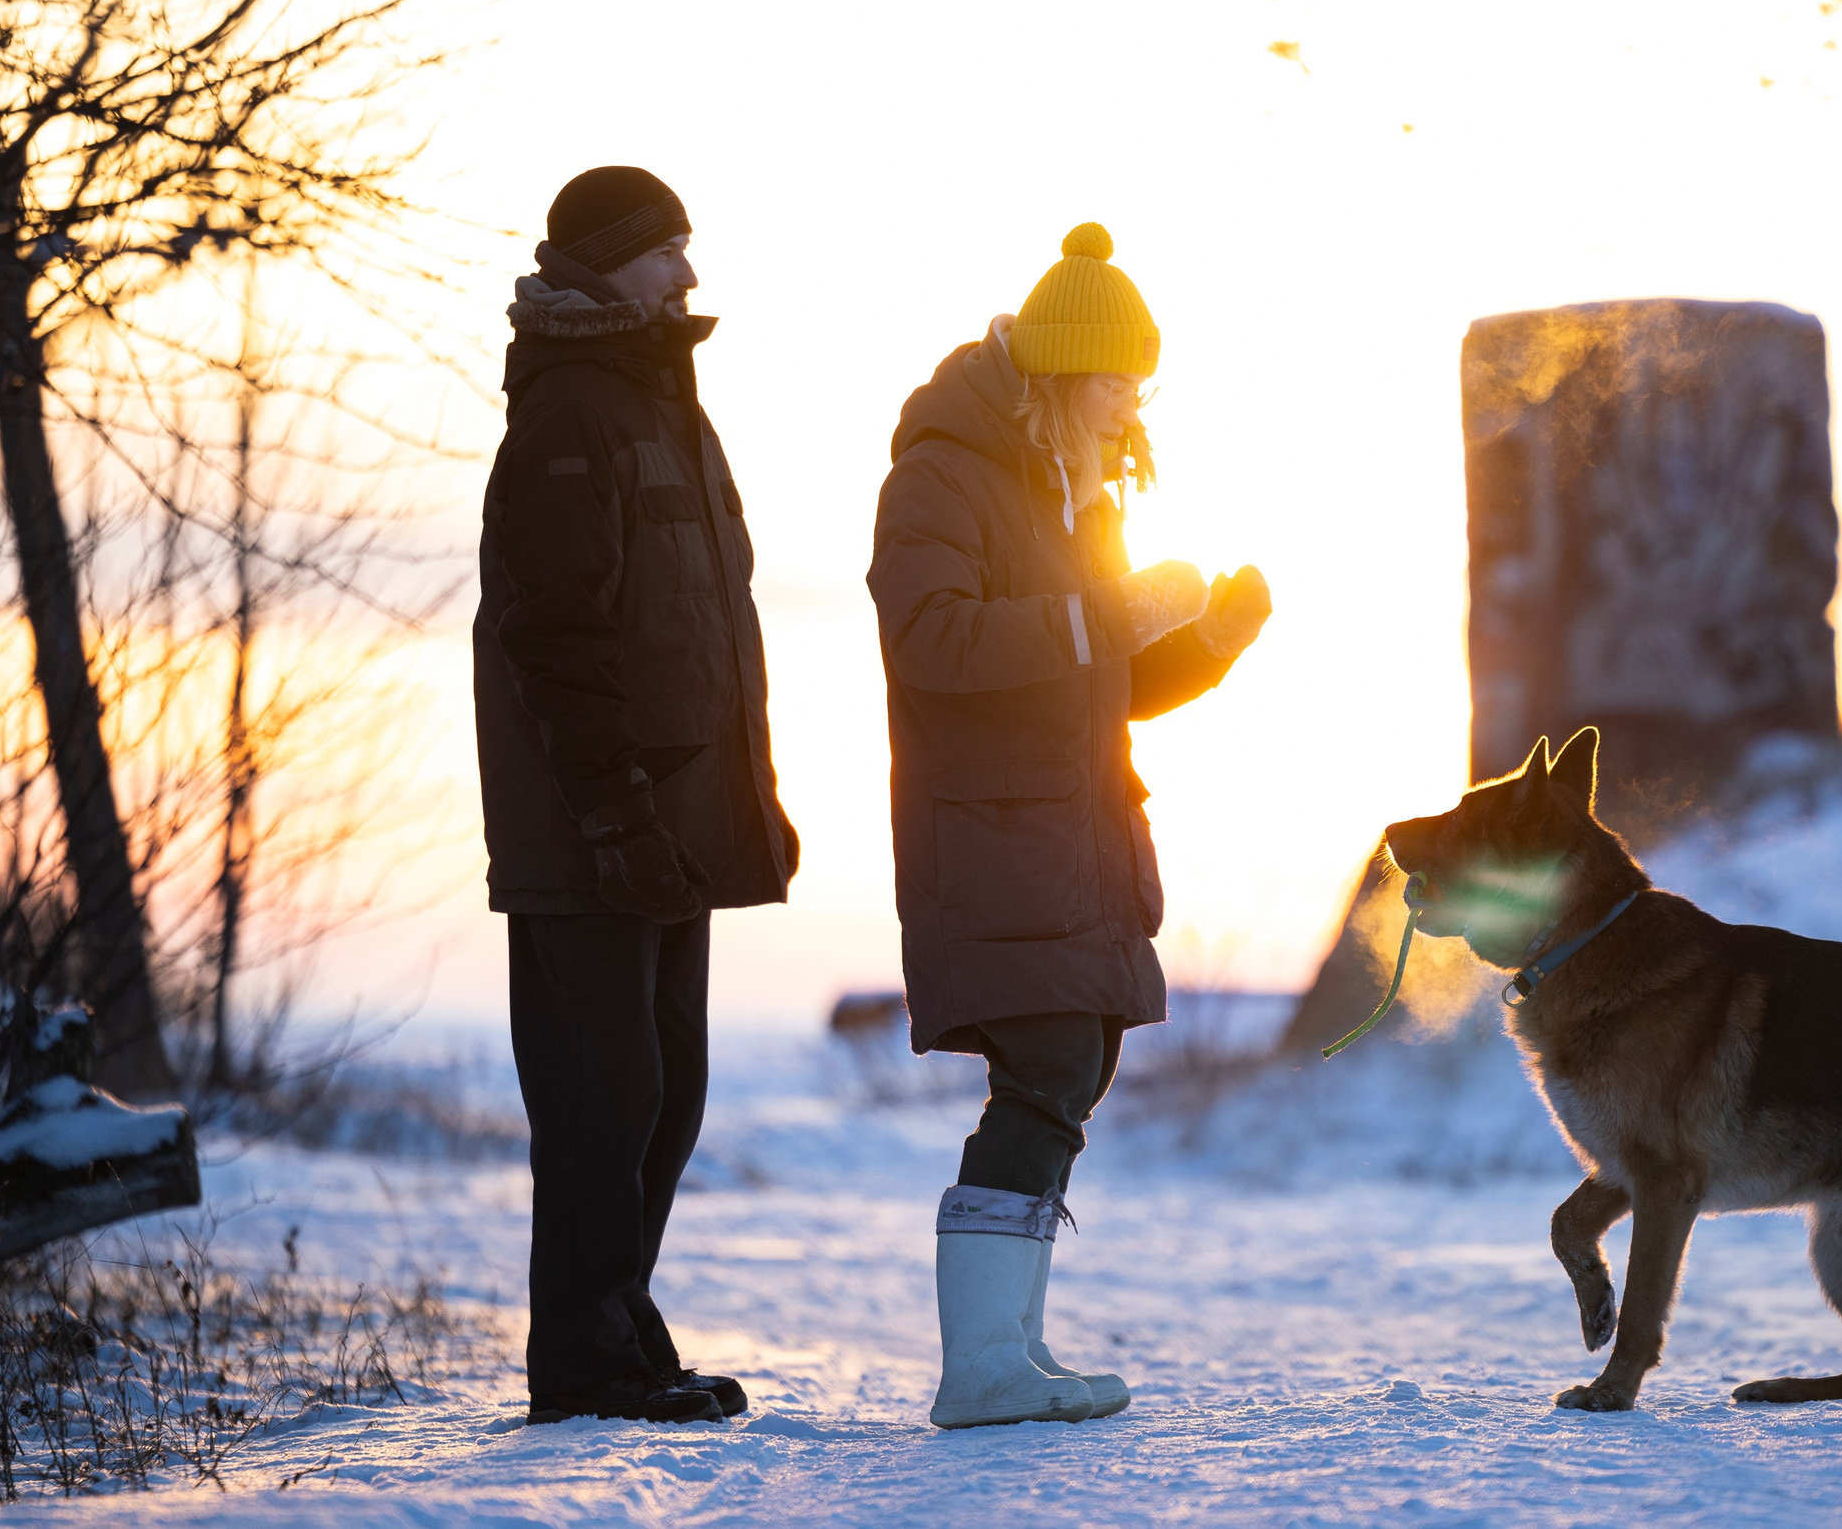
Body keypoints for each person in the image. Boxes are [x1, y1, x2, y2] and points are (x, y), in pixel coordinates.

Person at [868, 223, 1270, 1429]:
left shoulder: (1074, 486)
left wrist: (1204, 641)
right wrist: (1104, 612)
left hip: (1072, 834)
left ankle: (1012, 1350)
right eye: (1113, 385)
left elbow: (1094, 674)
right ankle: (981, 1364)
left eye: (1139, 388)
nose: (1126, 409)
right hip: (991, 833)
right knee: (1043, 1071)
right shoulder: (942, 473)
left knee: (1068, 1073)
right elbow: (930, 638)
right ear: (1055, 376)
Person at [474, 166, 799, 1426]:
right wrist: (612, 818)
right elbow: (554, 642)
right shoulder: (570, 419)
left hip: (675, 828)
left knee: (664, 1089)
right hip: (594, 834)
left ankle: (620, 1331)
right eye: (667, 248)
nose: (688, 273)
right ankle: (585, 1364)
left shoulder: (664, 408)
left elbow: (709, 633)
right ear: (607, 262)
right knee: (603, 1100)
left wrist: (742, 805)